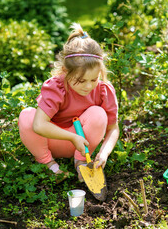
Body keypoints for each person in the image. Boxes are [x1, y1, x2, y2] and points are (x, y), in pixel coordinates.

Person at [18, 23, 119, 183]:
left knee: (98, 114)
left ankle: (81, 161)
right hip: (53, 139)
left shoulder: (103, 89)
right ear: (65, 71)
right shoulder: (56, 87)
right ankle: (48, 164)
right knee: (27, 116)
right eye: (80, 80)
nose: (88, 86)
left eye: (93, 79)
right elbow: (38, 126)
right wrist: (72, 137)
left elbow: (113, 128)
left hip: (82, 145)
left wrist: (104, 153)